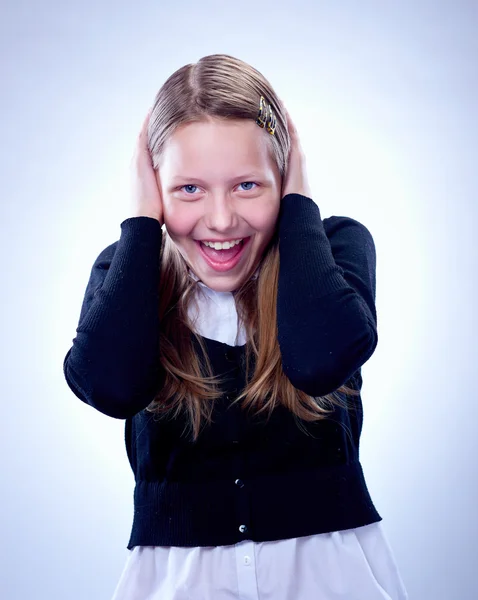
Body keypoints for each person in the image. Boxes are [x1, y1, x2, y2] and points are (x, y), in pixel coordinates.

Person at [63, 54, 408, 600]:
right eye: (189, 189)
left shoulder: (335, 247)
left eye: (248, 185)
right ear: (153, 185)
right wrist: (140, 225)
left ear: (285, 178)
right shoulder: (127, 270)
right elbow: (111, 385)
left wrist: (298, 204)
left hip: (329, 577)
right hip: (179, 583)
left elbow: (319, 359)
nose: (222, 220)